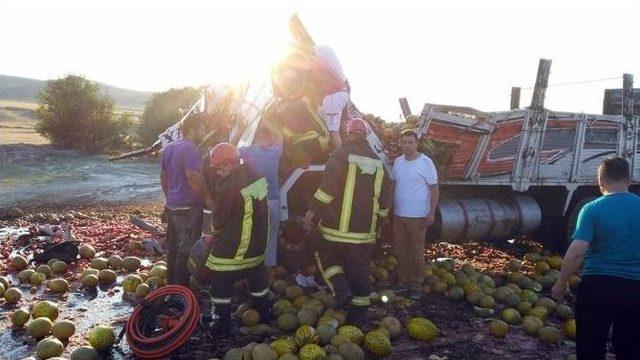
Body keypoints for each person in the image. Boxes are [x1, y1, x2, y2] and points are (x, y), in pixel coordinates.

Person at [306, 118, 392, 326]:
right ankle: (358, 319)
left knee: (324, 256)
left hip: (335, 231)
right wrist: (378, 226)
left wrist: (312, 212)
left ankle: (341, 289)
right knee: (359, 273)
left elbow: (328, 191)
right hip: (364, 234)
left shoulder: (340, 155)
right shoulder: (378, 162)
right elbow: (385, 202)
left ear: (348, 134)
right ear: (364, 134)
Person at [552, 157, 640, 360]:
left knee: (590, 347)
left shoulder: (592, 209)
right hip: (635, 288)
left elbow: (577, 251)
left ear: (600, 181)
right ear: (630, 180)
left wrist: (561, 283)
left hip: (597, 287)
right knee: (631, 348)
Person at [204, 142, 271, 336]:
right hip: (257, 250)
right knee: (258, 281)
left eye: (218, 168)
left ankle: (221, 323)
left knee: (220, 283)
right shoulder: (257, 178)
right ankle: (264, 313)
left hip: (232, 252)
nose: (217, 173)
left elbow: (217, 222)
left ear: (228, 164)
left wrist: (214, 232)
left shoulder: (228, 186)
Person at [160, 114, 212, 286]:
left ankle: (171, 287)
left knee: (173, 250)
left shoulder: (169, 148)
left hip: (173, 206)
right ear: (192, 129)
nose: (204, 134)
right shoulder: (191, 149)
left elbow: (163, 177)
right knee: (186, 250)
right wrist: (207, 198)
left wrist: (170, 198)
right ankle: (181, 292)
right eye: (202, 130)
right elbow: (192, 176)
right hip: (188, 209)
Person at [391, 129, 439, 300]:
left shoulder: (426, 163)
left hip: (418, 216)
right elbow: (394, 185)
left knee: (416, 252)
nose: (407, 145)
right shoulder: (397, 162)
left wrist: (431, 213)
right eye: (404, 142)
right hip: (399, 214)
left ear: (416, 144)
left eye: (410, 142)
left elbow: (434, 189)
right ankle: (403, 282)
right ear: (400, 144)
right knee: (400, 250)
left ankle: (416, 284)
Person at [238, 124, 283, 268]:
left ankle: (253, 272)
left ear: (256, 137)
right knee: (270, 240)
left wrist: (242, 128)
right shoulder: (275, 152)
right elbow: (279, 137)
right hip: (273, 203)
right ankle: (269, 273)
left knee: (253, 239)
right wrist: (270, 121)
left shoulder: (248, 152)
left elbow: (230, 150)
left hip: (255, 204)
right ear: (269, 138)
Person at [314, 45, 349, 151]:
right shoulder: (327, 52)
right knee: (320, 114)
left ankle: (341, 156)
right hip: (342, 94)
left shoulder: (319, 61)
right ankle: (347, 149)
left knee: (333, 132)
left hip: (334, 97)